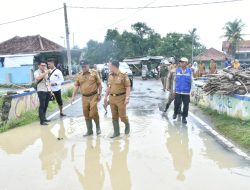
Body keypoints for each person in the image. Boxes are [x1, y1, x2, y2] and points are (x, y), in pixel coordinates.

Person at [71, 60, 102, 136]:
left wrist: (99, 94)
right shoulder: (79, 75)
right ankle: (89, 130)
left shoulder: (94, 73)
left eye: (85, 66)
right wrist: (73, 96)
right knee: (86, 114)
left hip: (93, 96)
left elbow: (99, 84)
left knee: (93, 112)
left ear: (88, 65)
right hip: (84, 97)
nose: (83, 68)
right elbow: (76, 86)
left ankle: (98, 128)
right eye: (82, 67)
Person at [104, 61, 131, 138]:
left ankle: (127, 125)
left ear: (114, 66)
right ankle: (116, 132)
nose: (109, 68)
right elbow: (108, 87)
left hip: (121, 98)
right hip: (112, 98)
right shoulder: (110, 75)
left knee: (122, 116)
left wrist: (127, 98)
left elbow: (128, 87)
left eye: (110, 66)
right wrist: (106, 97)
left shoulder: (123, 75)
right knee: (114, 116)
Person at [173, 57, 193, 124]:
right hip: (178, 90)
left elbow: (192, 81)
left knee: (186, 105)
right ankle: (175, 113)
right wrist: (174, 90)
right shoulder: (177, 70)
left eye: (182, 62)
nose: (181, 63)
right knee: (177, 103)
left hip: (186, 91)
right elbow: (174, 81)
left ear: (186, 63)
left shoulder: (190, 71)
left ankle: (184, 117)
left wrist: (192, 90)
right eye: (180, 62)